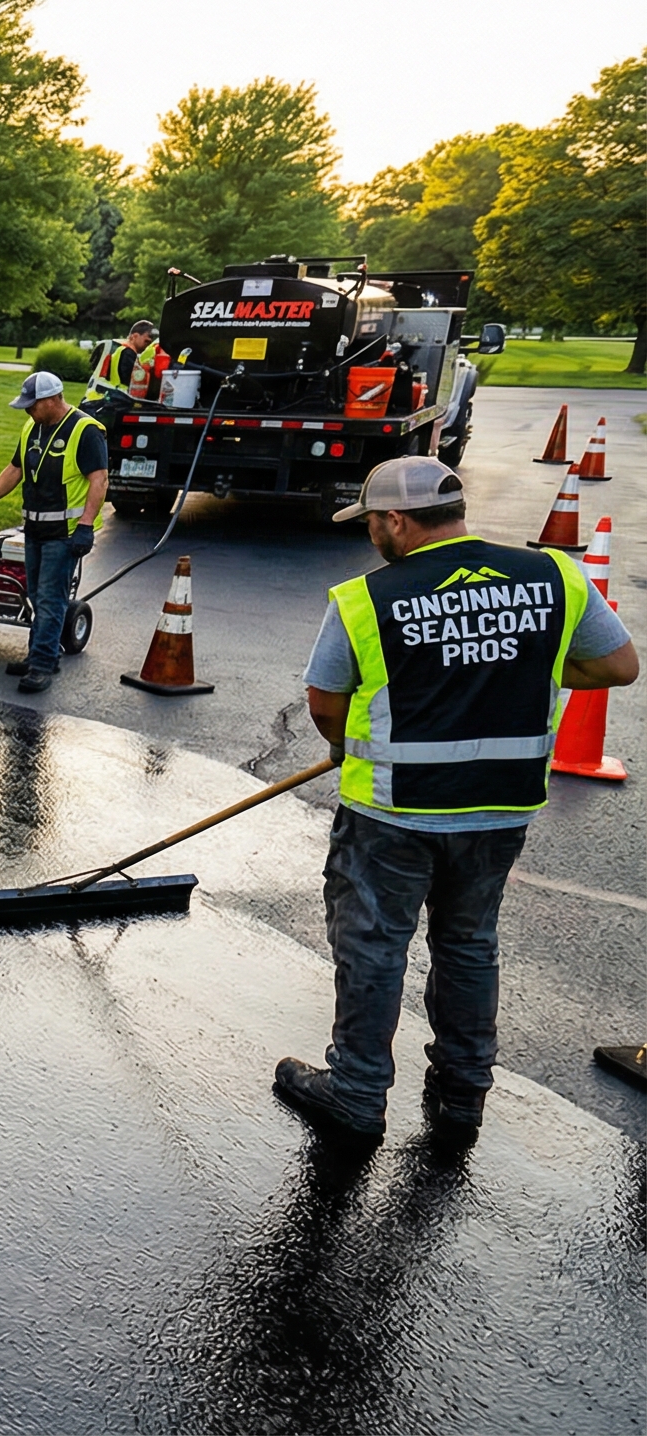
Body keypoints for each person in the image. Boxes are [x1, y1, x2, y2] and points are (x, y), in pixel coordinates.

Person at [276, 456, 636, 1145]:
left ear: (396, 521)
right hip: (500, 807)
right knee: (469, 945)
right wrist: (517, 659)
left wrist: (343, 746)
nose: (371, 536)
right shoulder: (555, 575)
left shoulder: (365, 599)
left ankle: (355, 1096)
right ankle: (462, 1095)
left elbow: (325, 702)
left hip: (393, 812)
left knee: (375, 948)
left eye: (372, 523)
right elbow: (619, 664)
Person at [0, 370, 105, 692]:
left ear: (53, 399)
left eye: (33, 405)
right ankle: (46, 653)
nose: (28, 410)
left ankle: (41, 665)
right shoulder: (32, 427)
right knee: (36, 594)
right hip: (35, 529)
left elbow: (100, 479)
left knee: (52, 600)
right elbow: (15, 469)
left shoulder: (85, 430)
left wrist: (85, 527)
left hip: (65, 533)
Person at [89, 319, 158, 402]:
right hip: (121, 398)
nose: (148, 345)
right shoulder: (128, 353)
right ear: (134, 336)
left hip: (112, 396)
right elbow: (131, 379)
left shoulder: (121, 350)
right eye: (146, 341)